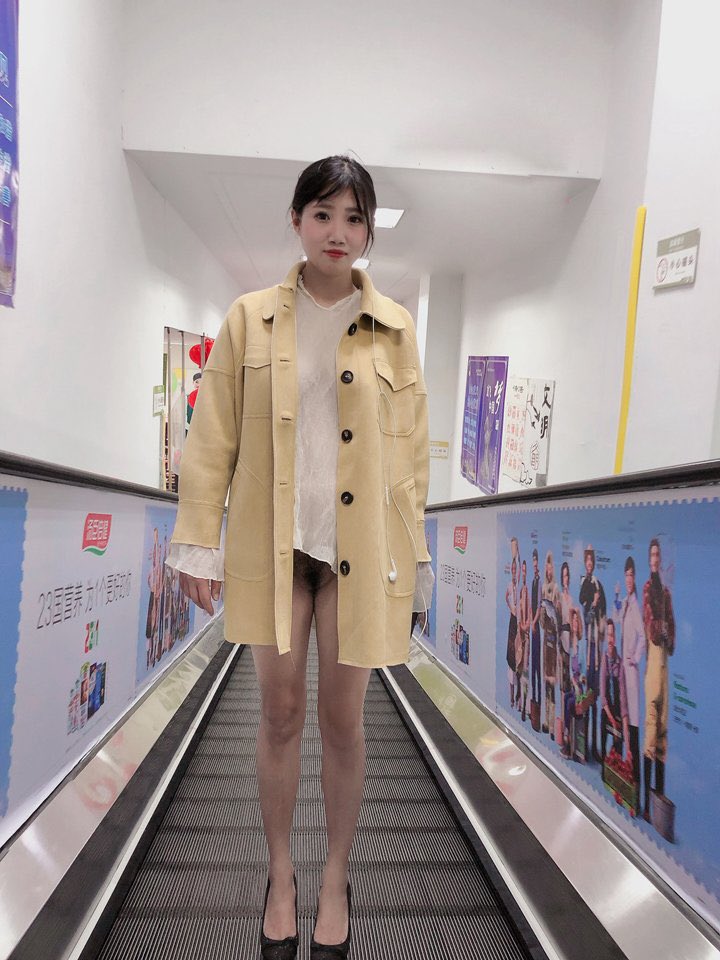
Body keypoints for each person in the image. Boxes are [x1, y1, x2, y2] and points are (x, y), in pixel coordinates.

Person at [165, 156, 433, 960]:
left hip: (358, 554)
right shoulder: (249, 318)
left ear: (368, 230)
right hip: (276, 546)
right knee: (279, 714)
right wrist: (197, 543)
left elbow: (411, 458)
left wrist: (414, 562)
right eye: (323, 215)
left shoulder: (395, 328)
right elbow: (212, 437)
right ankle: (280, 874)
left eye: (354, 218)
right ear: (296, 221)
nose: (338, 233)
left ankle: (336, 877)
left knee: (344, 723)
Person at [642, 538, 675, 823]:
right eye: (652, 554)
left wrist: (665, 630)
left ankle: (659, 800)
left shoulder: (665, 593)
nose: (655, 558)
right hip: (653, 664)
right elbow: (652, 629)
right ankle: (645, 802)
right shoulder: (648, 590)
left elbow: (671, 635)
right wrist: (663, 628)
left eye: (658, 554)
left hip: (664, 666)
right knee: (651, 732)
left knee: (663, 732)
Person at [614, 556, 646, 804]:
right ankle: (623, 781)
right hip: (622, 674)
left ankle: (635, 788)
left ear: (635, 578)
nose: (628, 579)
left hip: (631, 674)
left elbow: (643, 637)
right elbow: (615, 620)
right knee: (623, 723)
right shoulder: (625, 604)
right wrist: (616, 598)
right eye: (626, 575)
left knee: (633, 730)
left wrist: (634, 658)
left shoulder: (636, 607)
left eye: (631, 575)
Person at [579, 544, 606, 762]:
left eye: (591, 561)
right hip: (588, 652)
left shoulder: (598, 584)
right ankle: (586, 744)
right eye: (587, 561)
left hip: (597, 650)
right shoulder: (585, 586)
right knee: (587, 698)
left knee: (596, 699)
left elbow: (603, 617)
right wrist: (594, 604)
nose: (589, 564)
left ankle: (595, 746)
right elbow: (586, 618)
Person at [599, 619, 629, 763]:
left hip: (616, 710)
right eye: (608, 635)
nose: (610, 639)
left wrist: (621, 723)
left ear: (615, 638)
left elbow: (623, 699)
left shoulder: (620, 663)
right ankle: (603, 758)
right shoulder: (604, 659)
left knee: (618, 747)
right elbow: (603, 696)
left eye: (612, 635)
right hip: (607, 711)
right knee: (603, 720)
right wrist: (611, 719)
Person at [540, 551, 560, 738]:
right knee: (546, 682)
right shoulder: (543, 589)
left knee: (552, 684)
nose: (549, 570)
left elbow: (559, 620)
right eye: (547, 567)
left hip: (554, 643)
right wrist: (543, 614)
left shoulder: (556, 590)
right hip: (545, 642)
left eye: (551, 567)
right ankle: (546, 720)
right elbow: (541, 622)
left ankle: (553, 723)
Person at [517, 559, 531, 720]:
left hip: (526, 637)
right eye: (523, 570)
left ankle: (525, 705)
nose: (524, 573)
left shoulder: (528, 590)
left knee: (525, 671)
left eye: (525, 570)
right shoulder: (521, 590)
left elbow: (530, 613)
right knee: (519, 669)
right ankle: (521, 701)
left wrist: (526, 626)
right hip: (520, 637)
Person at [505, 558, 519, 708]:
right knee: (511, 660)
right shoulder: (510, 585)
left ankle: (518, 697)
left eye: (516, 570)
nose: (514, 572)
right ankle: (511, 697)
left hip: (519, 624)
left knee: (519, 660)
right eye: (513, 570)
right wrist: (511, 609)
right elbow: (506, 597)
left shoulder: (520, 587)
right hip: (512, 623)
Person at [530, 547, 542, 711]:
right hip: (533, 626)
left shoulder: (538, 582)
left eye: (535, 560)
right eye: (533, 560)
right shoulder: (533, 580)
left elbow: (539, 606)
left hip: (537, 628)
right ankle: (533, 698)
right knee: (533, 665)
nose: (534, 563)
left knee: (538, 665)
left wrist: (533, 622)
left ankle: (538, 699)